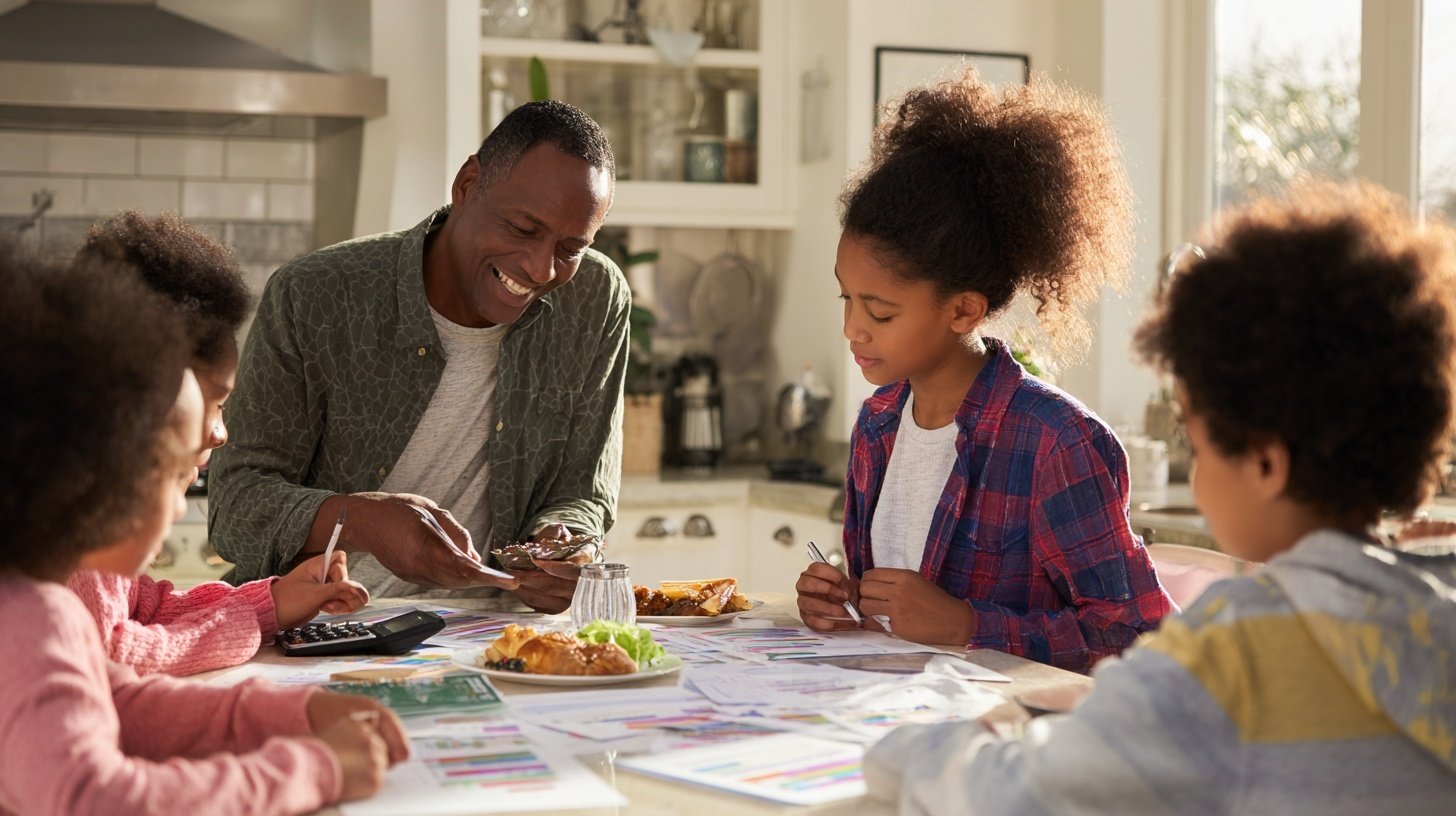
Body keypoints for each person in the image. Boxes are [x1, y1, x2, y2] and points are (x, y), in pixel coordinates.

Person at [865, 181, 1456, 814]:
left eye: (1196, 442)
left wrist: (920, 744)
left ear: (1264, 465)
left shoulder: (1228, 658)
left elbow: (1005, 794)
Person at [0, 241, 408, 814]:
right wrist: (316, 768)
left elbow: (123, 705)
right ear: (103, 479)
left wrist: (295, 713)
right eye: (174, 477)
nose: (177, 510)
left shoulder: (33, 604)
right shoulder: (32, 621)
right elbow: (100, 801)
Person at [796, 68, 1173, 672]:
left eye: (881, 312)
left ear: (964, 310)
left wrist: (969, 625)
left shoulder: (1056, 442)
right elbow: (896, 616)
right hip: (882, 712)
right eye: (847, 298)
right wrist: (843, 601)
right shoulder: (878, 424)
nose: (852, 330)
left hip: (1004, 726)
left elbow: (1139, 635)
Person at [209, 100, 629, 611]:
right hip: (318, 631)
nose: (542, 269)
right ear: (467, 185)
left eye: (570, 249)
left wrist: (565, 544)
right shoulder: (315, 294)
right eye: (523, 229)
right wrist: (364, 521)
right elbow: (234, 509)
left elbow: (582, 489)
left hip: (496, 635)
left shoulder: (594, 298)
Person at [65, 211, 370, 676]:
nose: (220, 432)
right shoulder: (78, 519)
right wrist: (246, 623)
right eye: (215, 401)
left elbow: (145, 607)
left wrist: (273, 602)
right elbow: (114, 655)